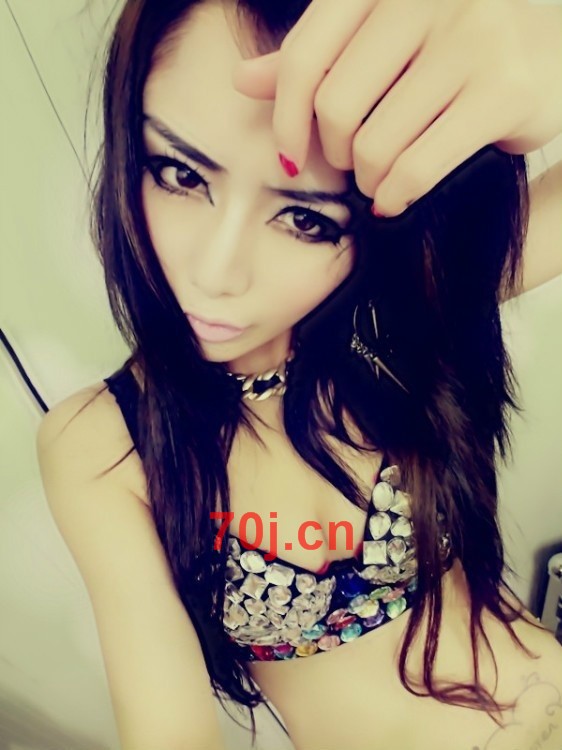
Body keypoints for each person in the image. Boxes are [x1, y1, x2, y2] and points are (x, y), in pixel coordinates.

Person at [36, 1, 562, 748]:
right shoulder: (107, 444)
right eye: (180, 173)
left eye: (307, 219)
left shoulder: (394, 321)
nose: (216, 274)